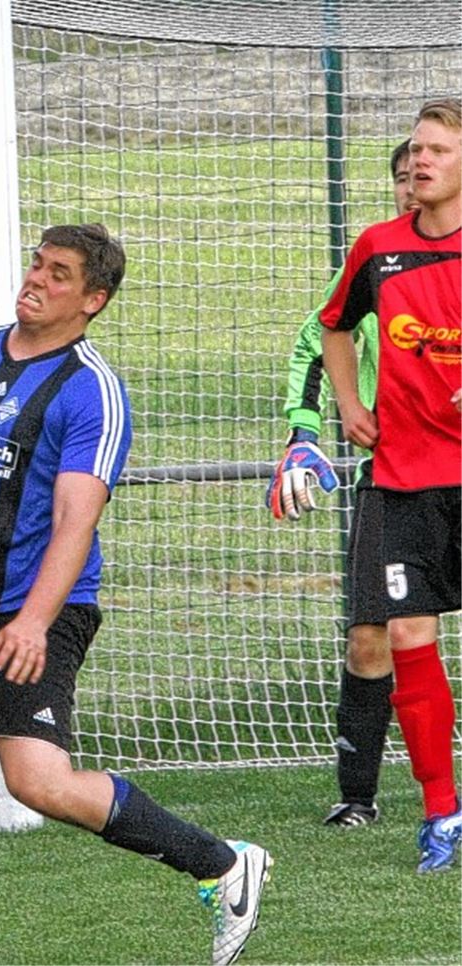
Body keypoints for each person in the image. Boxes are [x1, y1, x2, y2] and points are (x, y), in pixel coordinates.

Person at [0, 225, 272, 966]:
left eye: (59, 274)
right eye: (38, 263)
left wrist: (34, 622)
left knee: (38, 784)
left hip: (35, 612)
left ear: (93, 300)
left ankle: (225, 864)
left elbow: (77, 518)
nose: (36, 279)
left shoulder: (91, 390)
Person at [320, 96, 462, 873]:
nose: (419, 161)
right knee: (405, 634)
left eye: (437, 149)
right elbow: (335, 325)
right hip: (406, 477)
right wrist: (348, 404)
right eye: (415, 149)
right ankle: (442, 812)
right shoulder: (379, 248)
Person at [266, 140, 418, 827]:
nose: (413, 190)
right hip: (392, 478)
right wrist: (307, 434)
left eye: (427, 173)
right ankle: (358, 796)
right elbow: (313, 343)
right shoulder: (377, 264)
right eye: (402, 180)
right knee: (372, 638)